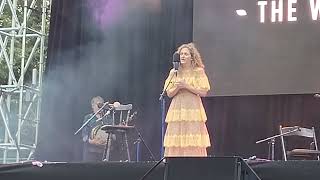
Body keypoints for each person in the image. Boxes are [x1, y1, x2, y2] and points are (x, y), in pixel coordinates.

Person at [163, 42, 211, 157]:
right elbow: (169, 93)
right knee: (177, 136)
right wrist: (177, 87)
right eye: (181, 54)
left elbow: (203, 92)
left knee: (192, 137)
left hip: (192, 109)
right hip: (177, 109)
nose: (183, 56)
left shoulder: (198, 71)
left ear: (192, 57)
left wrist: (186, 86)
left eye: (186, 54)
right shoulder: (174, 72)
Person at [82, 96, 113, 162]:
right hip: (92, 152)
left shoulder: (108, 118)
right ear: (92, 106)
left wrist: (110, 140)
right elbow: (84, 135)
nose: (100, 107)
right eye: (98, 104)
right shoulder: (88, 118)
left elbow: (113, 134)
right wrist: (92, 141)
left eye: (101, 105)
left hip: (106, 152)